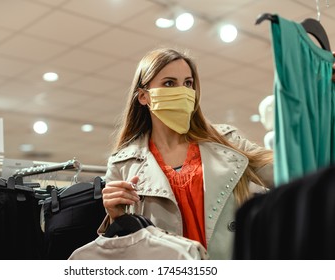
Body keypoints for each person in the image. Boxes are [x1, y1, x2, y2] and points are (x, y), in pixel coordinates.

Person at [100, 48, 335, 260]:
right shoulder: (123, 164)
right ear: (143, 96)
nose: (183, 91)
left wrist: (322, 101)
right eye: (169, 83)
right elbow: (120, 249)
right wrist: (115, 216)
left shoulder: (227, 142)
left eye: (188, 83)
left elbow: (290, 169)